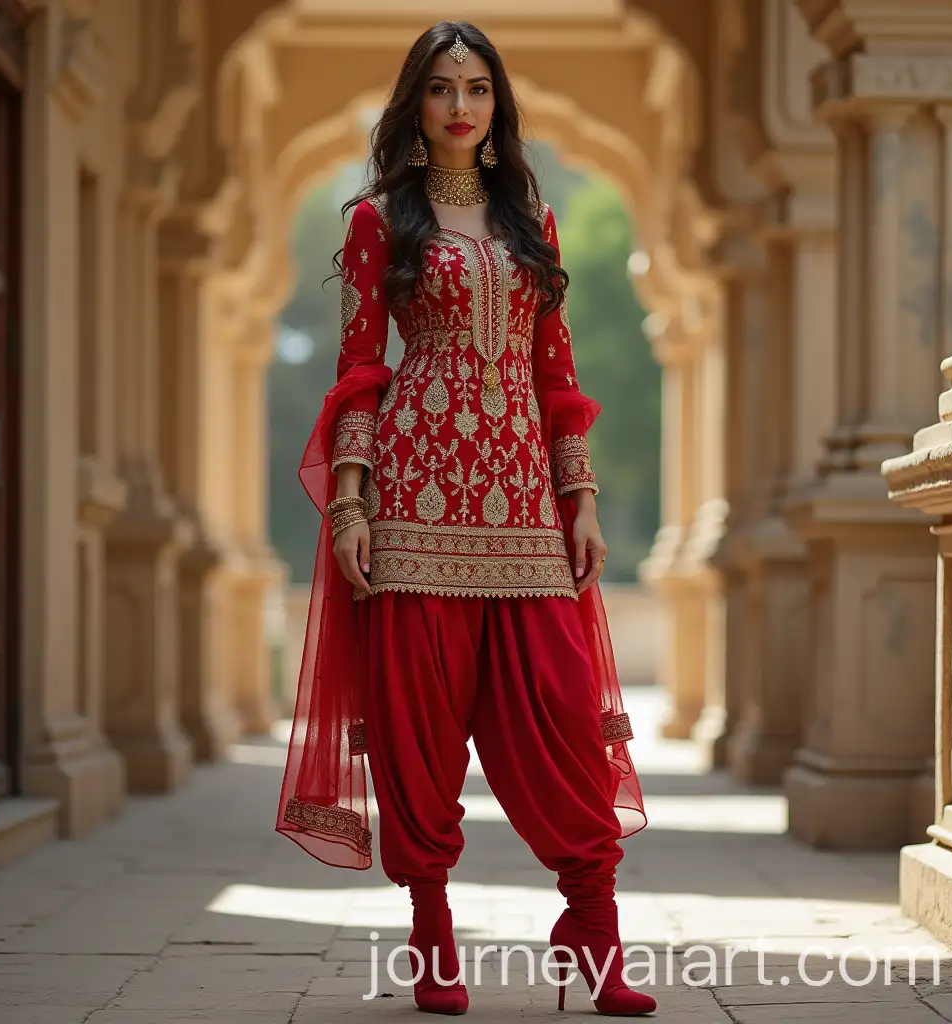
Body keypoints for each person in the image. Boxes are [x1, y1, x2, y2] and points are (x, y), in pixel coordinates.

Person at [276, 20, 655, 1017]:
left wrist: (580, 498)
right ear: (418, 103)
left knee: (564, 719)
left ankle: (592, 926)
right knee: (420, 731)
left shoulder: (531, 220)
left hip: (524, 503)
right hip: (412, 502)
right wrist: (352, 506)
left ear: (496, 106)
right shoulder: (380, 222)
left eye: (477, 87)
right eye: (441, 88)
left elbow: (555, 370)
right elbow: (359, 370)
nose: (459, 105)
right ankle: (433, 938)